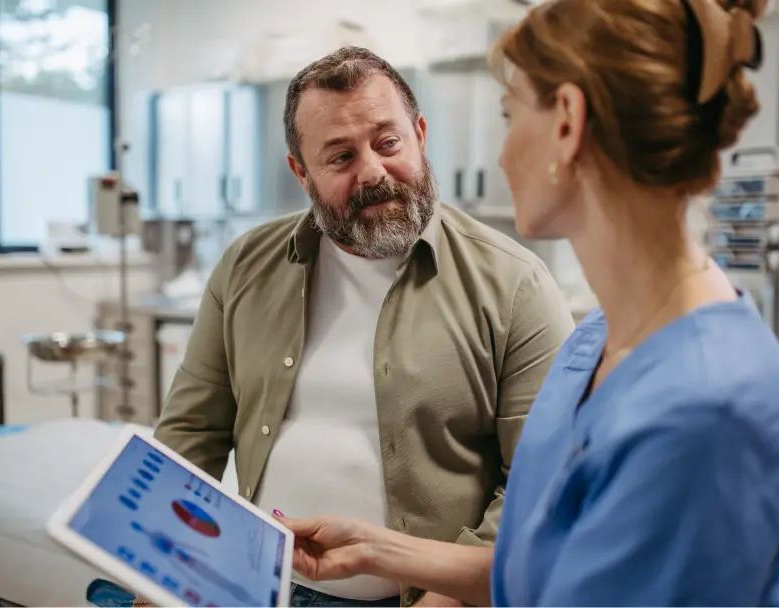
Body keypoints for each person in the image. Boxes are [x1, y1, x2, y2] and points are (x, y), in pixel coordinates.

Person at [277, 0, 779, 606]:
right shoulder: (597, 342)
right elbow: (552, 567)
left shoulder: (708, 404)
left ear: (566, 123)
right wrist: (379, 549)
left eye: (509, 114)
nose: (500, 152)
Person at [153, 47, 576, 607]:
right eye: (340, 156)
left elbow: (542, 485)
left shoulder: (515, 285)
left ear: (420, 134)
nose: (373, 172)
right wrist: (158, 569)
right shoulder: (245, 267)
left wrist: (446, 599)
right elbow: (190, 435)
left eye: (388, 142)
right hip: (260, 586)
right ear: (300, 172)